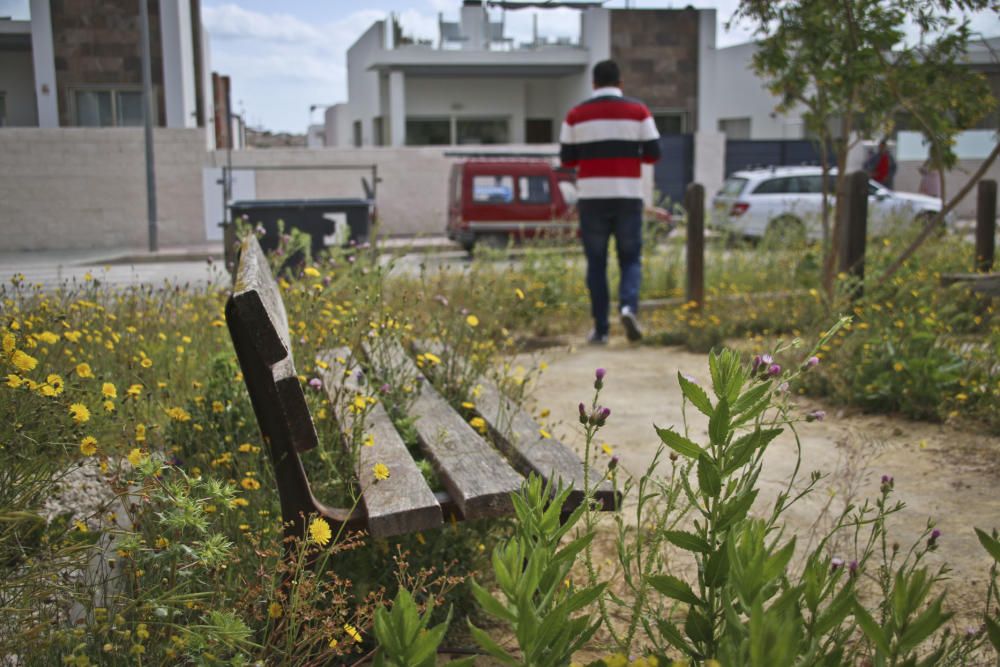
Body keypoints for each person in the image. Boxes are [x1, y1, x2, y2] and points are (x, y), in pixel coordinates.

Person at [559, 60, 661, 344]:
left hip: (592, 198)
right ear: (620, 83)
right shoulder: (638, 112)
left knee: (596, 263)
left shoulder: (575, 115)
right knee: (630, 259)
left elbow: (567, 159)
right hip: (628, 195)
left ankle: (601, 329)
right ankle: (628, 308)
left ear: (593, 83)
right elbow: (654, 153)